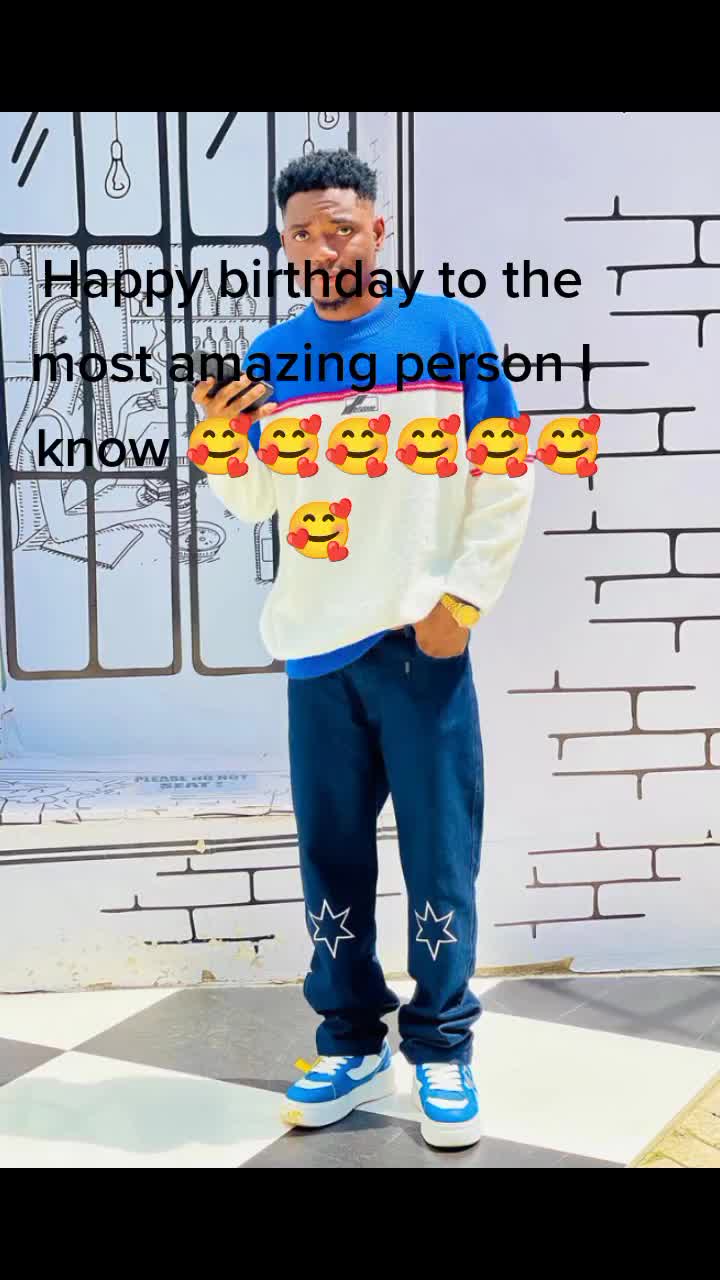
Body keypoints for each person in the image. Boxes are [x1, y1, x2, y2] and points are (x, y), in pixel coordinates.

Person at [196, 149, 535, 1150]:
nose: (321, 246)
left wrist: (463, 601)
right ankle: (351, 1039)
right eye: (301, 233)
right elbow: (258, 499)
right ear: (286, 245)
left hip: (422, 647)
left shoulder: (449, 333)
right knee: (332, 861)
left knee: (441, 856)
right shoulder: (273, 356)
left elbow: (505, 470)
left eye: (339, 227)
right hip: (317, 652)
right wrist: (221, 439)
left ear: (377, 231)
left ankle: (442, 1043)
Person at [9, 295, 169, 548]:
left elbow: (104, 477)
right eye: (61, 340)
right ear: (49, 353)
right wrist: (147, 514)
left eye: (83, 332)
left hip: (74, 528)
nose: (80, 347)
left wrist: (126, 415)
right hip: (39, 546)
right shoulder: (47, 427)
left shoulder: (86, 406)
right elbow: (59, 529)